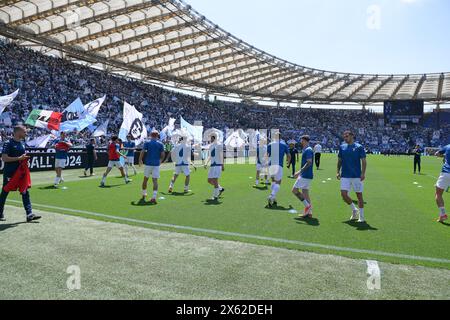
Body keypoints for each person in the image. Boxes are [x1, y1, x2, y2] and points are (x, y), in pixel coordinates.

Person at [0, 125, 41, 222]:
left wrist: (25, 160)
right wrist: (19, 158)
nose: (26, 133)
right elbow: (4, 158)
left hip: (21, 173)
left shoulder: (22, 143)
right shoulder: (8, 143)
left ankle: (29, 214)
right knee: (5, 192)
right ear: (18, 132)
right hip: (10, 173)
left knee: (25, 191)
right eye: (24, 132)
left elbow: (22, 157)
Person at [337, 131, 367, 223]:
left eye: (347, 136)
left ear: (352, 136)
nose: (345, 138)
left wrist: (363, 173)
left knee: (359, 195)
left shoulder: (359, 147)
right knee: (343, 194)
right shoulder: (342, 147)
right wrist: (337, 171)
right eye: (344, 136)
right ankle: (354, 209)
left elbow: (364, 161)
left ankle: (361, 217)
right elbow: (339, 161)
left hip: (356, 175)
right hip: (345, 175)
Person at [139, 130, 165, 204]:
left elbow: (142, 151)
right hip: (156, 164)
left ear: (151, 135)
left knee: (145, 179)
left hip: (148, 163)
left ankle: (144, 194)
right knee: (155, 181)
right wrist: (160, 161)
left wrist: (140, 160)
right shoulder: (160, 144)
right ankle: (154, 197)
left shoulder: (147, 142)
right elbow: (163, 154)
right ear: (157, 136)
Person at [266, 132, 291, 207]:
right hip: (279, 165)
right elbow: (289, 155)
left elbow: (267, 155)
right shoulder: (284, 145)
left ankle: (274, 198)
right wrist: (288, 162)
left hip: (271, 165)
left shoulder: (270, 144)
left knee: (273, 181)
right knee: (278, 182)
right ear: (280, 137)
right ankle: (271, 195)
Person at [292, 135, 314, 218]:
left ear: (304, 141)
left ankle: (308, 206)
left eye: (301, 140)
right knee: (305, 193)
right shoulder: (307, 149)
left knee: (294, 190)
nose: (300, 142)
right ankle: (309, 213)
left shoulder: (308, 150)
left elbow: (309, 162)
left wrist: (298, 172)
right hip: (307, 175)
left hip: (305, 175)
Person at [204, 133, 225, 201]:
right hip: (212, 165)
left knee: (215, 181)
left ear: (214, 138)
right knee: (209, 180)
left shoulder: (219, 145)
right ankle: (220, 189)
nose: (210, 139)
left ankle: (215, 196)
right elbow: (210, 156)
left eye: (211, 138)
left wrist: (222, 165)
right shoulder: (211, 146)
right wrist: (206, 163)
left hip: (217, 165)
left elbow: (221, 155)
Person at [434, 145, 449, 223]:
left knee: (438, 194)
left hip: (446, 173)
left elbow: (437, 154)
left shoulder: (448, 146)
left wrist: (444, 155)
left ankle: (442, 215)